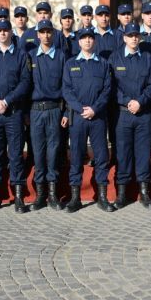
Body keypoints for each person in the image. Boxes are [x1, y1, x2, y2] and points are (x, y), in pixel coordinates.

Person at [0, 20, 31, 214]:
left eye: (5, 30)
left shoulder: (20, 55)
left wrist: (7, 101)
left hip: (14, 112)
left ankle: (18, 195)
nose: (2, 33)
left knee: (16, 153)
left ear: (11, 32)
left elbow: (25, 83)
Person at [62, 27, 114, 213]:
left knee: (101, 157)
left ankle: (102, 196)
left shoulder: (103, 64)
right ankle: (75, 198)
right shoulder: (70, 64)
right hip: (78, 118)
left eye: (90, 38)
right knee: (76, 156)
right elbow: (66, 90)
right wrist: (79, 108)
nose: (87, 41)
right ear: (79, 42)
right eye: (84, 38)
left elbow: (107, 90)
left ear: (95, 41)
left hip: (97, 117)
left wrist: (94, 109)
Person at [109, 23, 151, 209]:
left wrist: (140, 101)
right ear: (124, 38)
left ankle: (144, 193)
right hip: (122, 114)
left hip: (143, 113)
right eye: (130, 35)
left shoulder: (148, 58)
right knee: (123, 153)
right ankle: (122, 194)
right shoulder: (115, 57)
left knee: (144, 152)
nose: (134, 38)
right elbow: (112, 86)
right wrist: (128, 101)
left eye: (136, 35)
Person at [27, 20, 66, 211]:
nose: (46, 35)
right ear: (37, 35)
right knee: (38, 151)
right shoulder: (30, 56)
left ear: (53, 33)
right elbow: (25, 87)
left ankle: (52, 194)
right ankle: (40, 194)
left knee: (53, 151)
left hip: (53, 109)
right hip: (35, 110)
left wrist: (65, 112)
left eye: (49, 31)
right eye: (42, 32)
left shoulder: (61, 56)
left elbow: (66, 87)